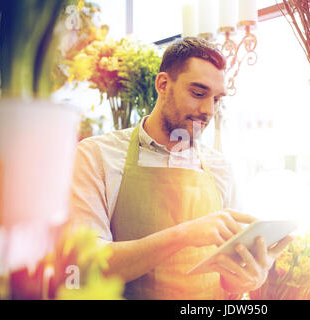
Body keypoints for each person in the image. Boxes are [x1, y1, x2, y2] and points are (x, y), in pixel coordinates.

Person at [69, 37, 292, 300]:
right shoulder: (96, 156)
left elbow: (232, 276)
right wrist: (185, 234)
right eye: (198, 93)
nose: (208, 110)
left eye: (217, 99)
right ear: (163, 84)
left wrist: (246, 281)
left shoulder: (221, 168)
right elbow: (86, 266)